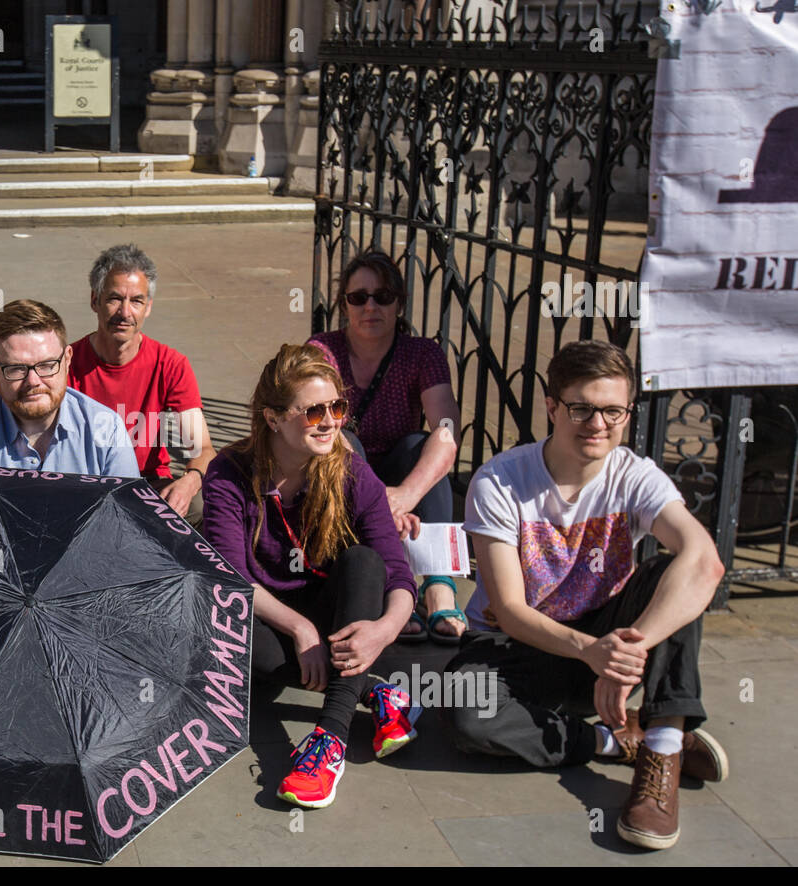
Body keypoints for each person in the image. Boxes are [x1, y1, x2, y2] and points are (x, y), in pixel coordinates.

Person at [442, 340, 730, 850]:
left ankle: (661, 754)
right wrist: (591, 653)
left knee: (677, 571)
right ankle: (614, 741)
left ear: (628, 412)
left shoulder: (633, 474)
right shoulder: (501, 481)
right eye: (582, 408)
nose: (598, 424)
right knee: (469, 715)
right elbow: (509, 611)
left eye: (613, 410)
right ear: (552, 406)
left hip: (609, 639)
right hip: (521, 648)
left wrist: (628, 653)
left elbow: (706, 562)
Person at [201, 344, 420, 809]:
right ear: (274, 417)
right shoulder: (229, 473)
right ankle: (375, 690)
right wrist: (301, 629)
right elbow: (230, 576)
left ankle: (328, 741)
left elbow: (398, 575)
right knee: (241, 658)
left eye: (336, 408)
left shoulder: (353, 474)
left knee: (364, 562)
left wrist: (382, 632)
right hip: (273, 620)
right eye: (313, 411)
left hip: (343, 613)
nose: (330, 421)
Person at [307, 250, 464, 644]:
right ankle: (389, 587)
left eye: (383, 296)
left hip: (398, 472)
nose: (371, 306)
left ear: (400, 303)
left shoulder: (422, 353)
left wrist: (406, 495)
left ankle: (439, 584)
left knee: (423, 444)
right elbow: (325, 429)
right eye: (358, 297)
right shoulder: (322, 351)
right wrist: (379, 500)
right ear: (344, 304)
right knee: (343, 439)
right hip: (344, 474)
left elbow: (447, 429)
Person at [68, 244, 217, 522]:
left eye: (136, 301)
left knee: (203, 502)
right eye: (114, 298)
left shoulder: (170, 364)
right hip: (86, 486)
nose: (125, 312)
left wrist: (189, 482)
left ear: (148, 307)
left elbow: (203, 450)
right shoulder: (67, 363)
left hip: (148, 485)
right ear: (94, 300)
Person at [0, 299, 138, 494]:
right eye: (16, 368)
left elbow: (126, 518)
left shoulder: (106, 427)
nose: (33, 381)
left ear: (67, 359)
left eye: (47, 365)